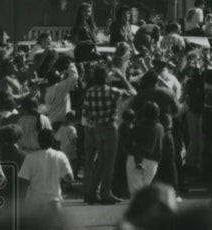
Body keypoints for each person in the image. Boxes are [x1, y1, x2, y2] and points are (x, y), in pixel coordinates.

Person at [81, 64, 123, 205]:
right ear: (105, 77)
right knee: (109, 163)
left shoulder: (90, 92)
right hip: (110, 127)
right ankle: (105, 193)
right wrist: (122, 77)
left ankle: (92, 192)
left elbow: (86, 113)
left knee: (102, 162)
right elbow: (133, 93)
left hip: (96, 128)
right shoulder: (112, 91)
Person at [18, 127, 73, 210]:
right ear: (52, 141)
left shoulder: (30, 157)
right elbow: (69, 178)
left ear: (38, 141)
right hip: (54, 202)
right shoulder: (60, 156)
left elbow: (23, 181)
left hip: (35, 202)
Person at [126, 101, 164, 196]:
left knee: (136, 192)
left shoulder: (137, 127)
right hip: (153, 162)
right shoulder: (160, 128)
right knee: (144, 191)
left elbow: (132, 144)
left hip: (136, 159)